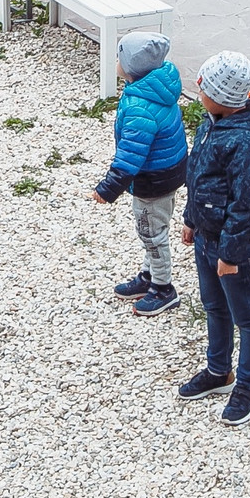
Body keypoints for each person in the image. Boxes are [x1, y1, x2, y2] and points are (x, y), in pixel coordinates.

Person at [174, 50, 250, 426]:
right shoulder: (211, 122)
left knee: (245, 316)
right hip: (206, 237)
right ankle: (219, 372)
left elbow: (245, 204)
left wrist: (231, 254)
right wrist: (190, 218)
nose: (198, 86)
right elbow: (198, 175)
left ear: (222, 95)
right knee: (214, 308)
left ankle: (249, 386)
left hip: (233, 249)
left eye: (204, 84)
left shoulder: (246, 143)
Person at [90, 31, 188, 317]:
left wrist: (108, 188)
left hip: (152, 180)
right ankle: (148, 276)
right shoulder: (156, 87)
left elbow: (130, 156)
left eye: (119, 56)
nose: (116, 61)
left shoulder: (139, 107)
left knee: (151, 233)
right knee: (154, 228)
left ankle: (163, 287)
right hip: (168, 171)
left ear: (131, 67)